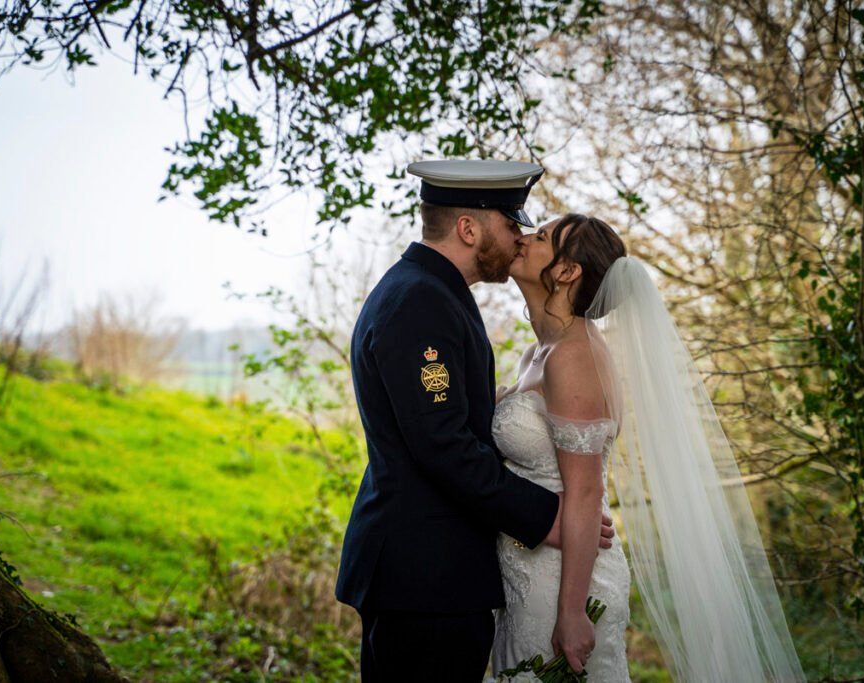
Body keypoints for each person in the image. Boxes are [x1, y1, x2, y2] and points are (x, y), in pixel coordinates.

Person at [491, 214, 806, 682]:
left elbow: (585, 493)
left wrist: (573, 613)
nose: (523, 237)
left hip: (564, 583)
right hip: (529, 570)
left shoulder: (573, 356)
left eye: (541, 237)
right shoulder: (539, 351)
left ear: (566, 271)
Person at [335, 162, 615, 683]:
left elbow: (445, 416)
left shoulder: (428, 292)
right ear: (469, 229)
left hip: (432, 577)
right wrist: (543, 515)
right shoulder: (421, 300)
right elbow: (442, 444)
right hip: (425, 576)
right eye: (511, 225)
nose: (519, 238)